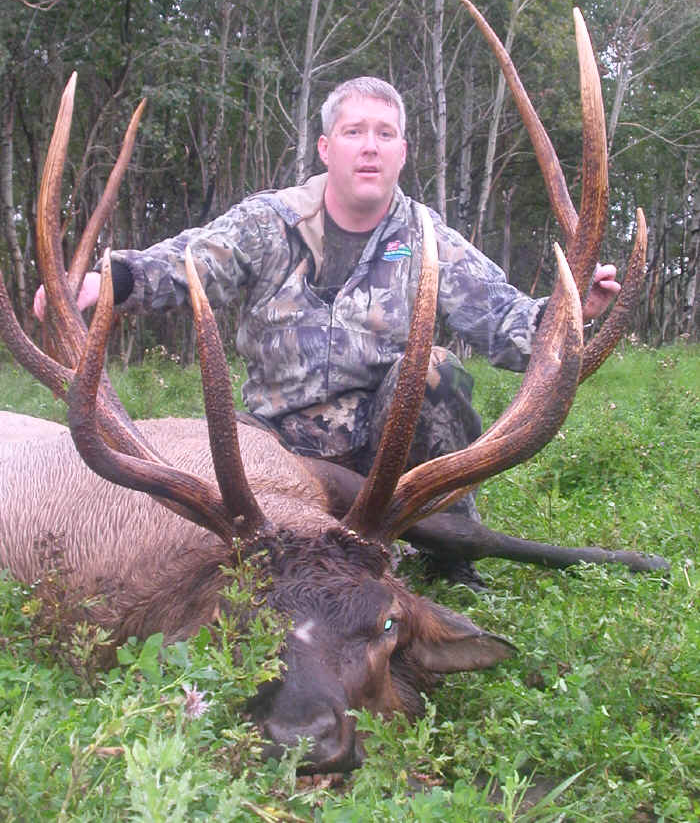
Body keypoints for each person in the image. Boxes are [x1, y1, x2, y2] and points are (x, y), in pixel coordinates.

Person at [34, 77, 619, 587]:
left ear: (403, 152)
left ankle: (451, 550)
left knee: (435, 370)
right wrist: (109, 281)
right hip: (276, 448)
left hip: (381, 456)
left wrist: (570, 308)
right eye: (354, 131)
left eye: (385, 134)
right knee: (203, 465)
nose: (370, 146)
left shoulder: (426, 237)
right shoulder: (269, 221)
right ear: (325, 147)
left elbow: (504, 319)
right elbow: (188, 264)